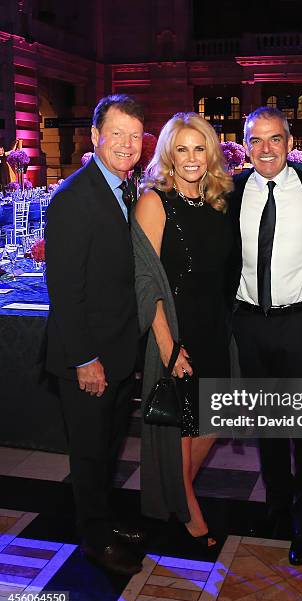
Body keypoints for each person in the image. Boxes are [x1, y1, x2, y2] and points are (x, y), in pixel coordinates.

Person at [45, 94, 145, 575]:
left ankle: (103, 520)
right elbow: (65, 291)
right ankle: (94, 538)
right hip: (88, 357)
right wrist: (85, 359)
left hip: (121, 350)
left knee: (108, 449)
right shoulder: (73, 198)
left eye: (135, 135)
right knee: (88, 454)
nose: (127, 144)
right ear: (96, 137)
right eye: (117, 134)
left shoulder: (128, 189)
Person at [228, 106, 302, 566]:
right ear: (245, 145)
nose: (265, 149)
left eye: (275, 139)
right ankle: (277, 506)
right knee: (268, 425)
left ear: (290, 143)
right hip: (250, 321)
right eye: (255, 140)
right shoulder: (229, 192)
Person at [132, 112, 233, 547]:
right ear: (168, 156)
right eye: (181, 149)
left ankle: (173, 492)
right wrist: (169, 347)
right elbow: (144, 280)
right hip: (175, 332)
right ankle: (191, 516)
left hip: (216, 329)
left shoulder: (218, 203)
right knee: (182, 426)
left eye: (198, 148)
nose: (191, 158)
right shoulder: (154, 202)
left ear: (210, 152)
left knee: (212, 422)